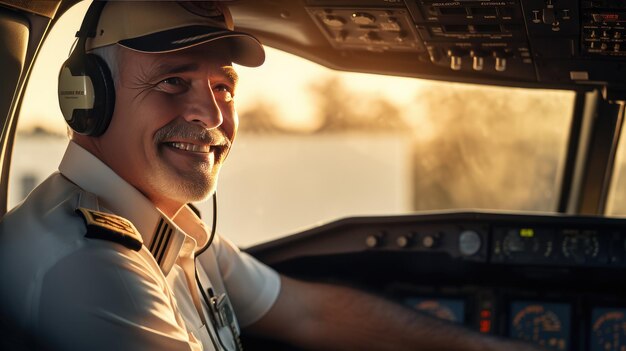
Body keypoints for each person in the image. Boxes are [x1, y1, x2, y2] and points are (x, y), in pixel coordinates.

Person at [0, 1, 541, 350]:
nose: (212, 118)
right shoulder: (94, 265)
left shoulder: (168, 228)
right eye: (173, 83)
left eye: (223, 89)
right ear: (86, 97)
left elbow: (310, 314)